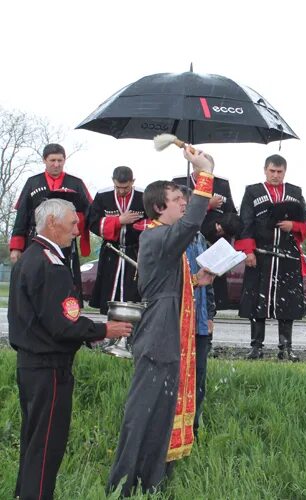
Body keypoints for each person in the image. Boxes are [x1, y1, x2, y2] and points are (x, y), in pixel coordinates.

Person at [108, 147, 216, 496]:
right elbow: (192, 223)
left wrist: (198, 280)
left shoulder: (164, 240)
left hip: (169, 339)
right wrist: (206, 172)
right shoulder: (155, 235)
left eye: (185, 197)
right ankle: (123, 484)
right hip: (157, 339)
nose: (184, 203)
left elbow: (169, 285)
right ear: (159, 207)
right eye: (176, 199)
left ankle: (152, 480)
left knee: (161, 415)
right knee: (142, 415)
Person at [9, 199, 131, 500]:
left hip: (30, 365)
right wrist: (104, 330)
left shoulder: (29, 258)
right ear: (52, 223)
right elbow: (63, 323)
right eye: (74, 224)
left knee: (33, 442)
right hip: (49, 367)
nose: (78, 230)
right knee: (47, 445)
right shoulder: (51, 265)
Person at [234, 154, 306, 361]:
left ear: (285, 171)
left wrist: (293, 226)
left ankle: (286, 347)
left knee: (288, 303)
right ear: (265, 170)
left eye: (279, 172)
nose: (275, 175)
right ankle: (256, 346)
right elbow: (245, 222)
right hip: (261, 255)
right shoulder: (252, 191)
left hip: (287, 256)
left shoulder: (295, 192)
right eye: (272, 171)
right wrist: (248, 251)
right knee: (256, 301)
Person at [10, 143, 92, 300]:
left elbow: (89, 212)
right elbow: (22, 216)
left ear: (64, 160)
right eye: (52, 160)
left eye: (60, 160)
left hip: (65, 244)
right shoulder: (32, 182)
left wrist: (75, 227)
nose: (56, 164)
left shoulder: (76, 183)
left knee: (65, 280)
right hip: (35, 240)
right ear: (44, 160)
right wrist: (16, 247)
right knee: (35, 277)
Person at [178, 185, 216, 437]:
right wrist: (192, 279)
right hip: (178, 321)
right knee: (178, 378)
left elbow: (207, 278)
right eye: (182, 205)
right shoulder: (168, 237)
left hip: (200, 320)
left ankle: (194, 428)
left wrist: (210, 314)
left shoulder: (200, 237)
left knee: (198, 378)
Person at [173, 169, 237, 310]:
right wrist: (208, 205)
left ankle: (208, 317)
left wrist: (225, 225)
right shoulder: (179, 183)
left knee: (209, 289)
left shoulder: (222, 184)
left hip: (211, 244)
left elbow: (231, 213)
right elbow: (187, 213)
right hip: (186, 243)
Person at [87, 166, 146, 314]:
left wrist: (137, 226)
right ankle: (112, 330)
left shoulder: (143, 195)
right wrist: (119, 220)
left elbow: (154, 220)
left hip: (135, 252)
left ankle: (132, 332)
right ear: (113, 181)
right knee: (109, 293)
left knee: (133, 295)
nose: (121, 191)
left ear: (133, 181)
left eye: (125, 187)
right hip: (111, 253)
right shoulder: (102, 196)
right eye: (118, 187)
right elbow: (93, 223)